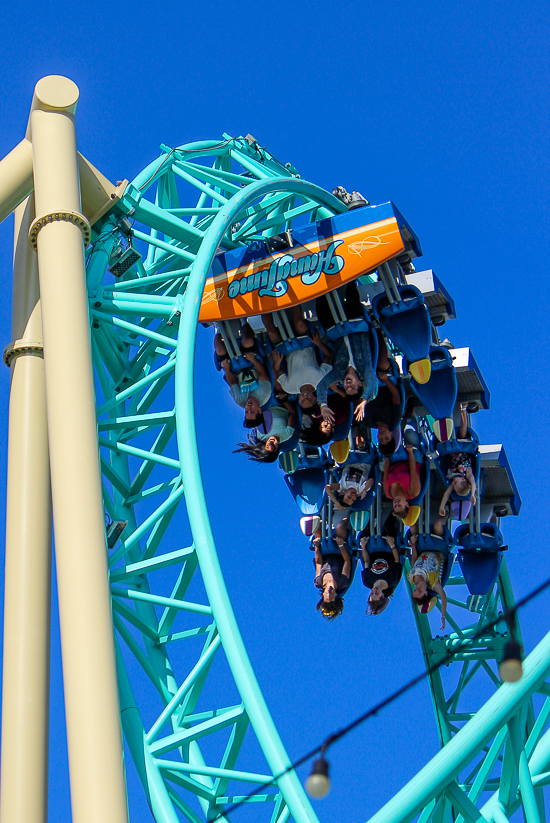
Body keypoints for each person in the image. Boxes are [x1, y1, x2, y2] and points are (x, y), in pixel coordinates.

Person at [315, 282, 378, 419]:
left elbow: (322, 385)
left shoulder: (338, 374)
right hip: (356, 324)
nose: (348, 385)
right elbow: (373, 381)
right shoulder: (365, 369)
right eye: (353, 387)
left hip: (336, 331)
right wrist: (365, 400)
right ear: (359, 383)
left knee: (321, 311)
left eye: (346, 388)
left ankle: (320, 283)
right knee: (352, 302)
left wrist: (323, 405)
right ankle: (349, 279)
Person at [355, 337, 405, 454]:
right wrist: (385, 379)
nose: (383, 435)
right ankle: (378, 332)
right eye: (387, 437)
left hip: (366, 382)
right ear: (391, 434)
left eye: (381, 439)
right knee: (382, 362)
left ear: (377, 438)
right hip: (384, 380)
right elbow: (396, 395)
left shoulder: (367, 421)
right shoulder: (395, 418)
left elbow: (358, 399)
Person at [214, 323, 272, 420]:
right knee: (248, 341)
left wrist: (227, 368)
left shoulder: (240, 401)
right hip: (252, 363)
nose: (249, 407)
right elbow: (262, 373)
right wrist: (253, 359)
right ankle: (243, 321)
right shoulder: (265, 394)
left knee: (219, 349)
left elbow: (232, 382)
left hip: (235, 368)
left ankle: (219, 327)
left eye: (246, 411)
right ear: (259, 410)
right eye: (252, 410)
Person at [271, 330, 333, 401]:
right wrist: (319, 343)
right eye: (309, 399)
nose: (305, 397)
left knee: (272, 333)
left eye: (303, 400)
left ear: (299, 400)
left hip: (286, 349)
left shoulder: (289, 389)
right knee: (300, 326)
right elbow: (329, 355)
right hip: (306, 343)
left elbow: (277, 370)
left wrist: (277, 362)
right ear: (314, 398)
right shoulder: (322, 381)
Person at [439, 403, 476, 514]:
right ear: (463, 480)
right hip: (463, 447)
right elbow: (473, 482)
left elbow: (447, 493)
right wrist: (473, 494)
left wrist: (442, 507)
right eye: (456, 483)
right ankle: (463, 410)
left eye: (453, 485)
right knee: (463, 432)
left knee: (444, 439)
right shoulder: (467, 473)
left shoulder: (452, 479)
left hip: (451, 451)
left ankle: (441, 414)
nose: (453, 482)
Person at [360, 532, 402, 616]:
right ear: (382, 595)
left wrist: (363, 547)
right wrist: (392, 545)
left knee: (364, 533)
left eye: (372, 593)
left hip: (372, 549)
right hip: (389, 549)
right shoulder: (392, 580)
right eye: (377, 593)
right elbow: (397, 560)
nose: (374, 590)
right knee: (387, 530)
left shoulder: (367, 581)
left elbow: (366, 562)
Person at [407, 542, 447, 630]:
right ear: (425, 593)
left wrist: (413, 546)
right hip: (438, 546)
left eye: (415, 590)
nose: (417, 588)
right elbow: (443, 597)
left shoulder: (411, 578)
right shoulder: (433, 583)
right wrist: (443, 616)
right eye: (420, 591)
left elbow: (414, 561)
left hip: (423, 546)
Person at [313, 535, 351, 621]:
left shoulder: (318, 582)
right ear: (336, 595)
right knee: (340, 531)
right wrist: (340, 545)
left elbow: (318, 563)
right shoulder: (342, 582)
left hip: (325, 550)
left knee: (318, 532)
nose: (329, 591)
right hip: (339, 550)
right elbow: (347, 561)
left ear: (323, 594)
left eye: (327, 594)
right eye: (331, 594)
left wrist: (317, 546)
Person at [383, 443, 422, 519]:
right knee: (410, 437)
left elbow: (386, 472)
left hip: (394, 460)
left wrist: (387, 456)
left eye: (395, 506)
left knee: (389, 442)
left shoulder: (388, 493)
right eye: (399, 505)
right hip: (412, 459)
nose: (396, 503)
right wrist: (410, 452)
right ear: (406, 504)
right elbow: (413, 470)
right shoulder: (414, 492)